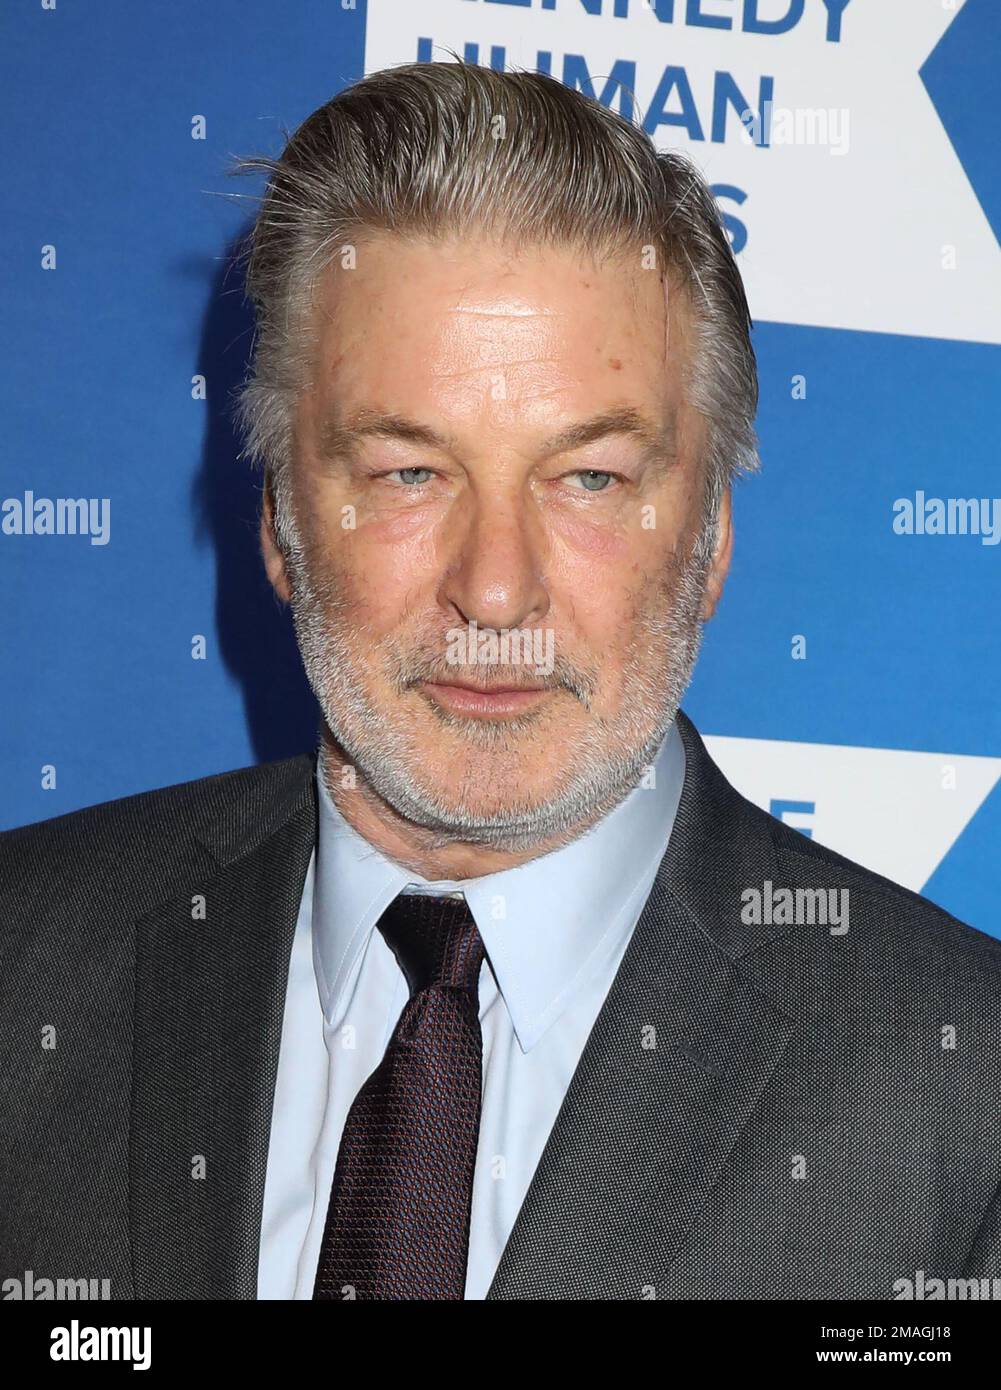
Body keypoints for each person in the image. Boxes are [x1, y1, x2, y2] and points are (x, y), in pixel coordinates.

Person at [2, 60, 999, 1302]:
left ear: (707, 544)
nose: (492, 587)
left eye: (587, 479)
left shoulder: (966, 1093)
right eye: (407, 473)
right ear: (277, 521)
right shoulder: (22, 969)